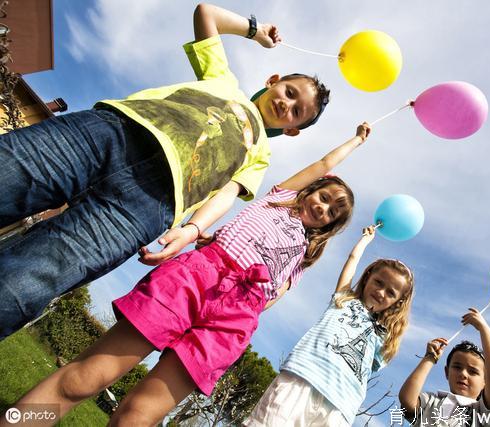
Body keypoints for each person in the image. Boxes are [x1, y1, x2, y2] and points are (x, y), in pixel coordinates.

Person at [2, 123, 371, 427]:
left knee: (139, 416)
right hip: (199, 277)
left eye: (334, 212)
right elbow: (324, 161)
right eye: (324, 197)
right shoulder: (278, 197)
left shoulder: (303, 258)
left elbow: (272, 299)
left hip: (236, 318)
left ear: (332, 226)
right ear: (311, 189)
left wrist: (244, 313)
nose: (324, 208)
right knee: (85, 378)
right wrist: (355, 140)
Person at [0, 3, 331, 339]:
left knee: (27, 283)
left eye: (296, 111)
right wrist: (254, 30)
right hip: (112, 135)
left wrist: (193, 229)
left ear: (292, 130)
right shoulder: (224, 81)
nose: (286, 104)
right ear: (272, 80)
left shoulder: (260, 153)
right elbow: (205, 14)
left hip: (145, 207)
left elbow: (229, 192)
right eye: (289, 92)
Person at [245, 226, 415, 426]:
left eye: (391, 293)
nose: (381, 292)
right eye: (378, 282)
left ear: (397, 303)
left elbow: (390, 342)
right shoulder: (344, 299)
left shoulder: (383, 336)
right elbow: (352, 260)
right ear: (368, 277)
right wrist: (364, 241)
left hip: (341, 405)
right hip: (303, 376)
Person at [399, 309, 490, 426]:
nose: (463, 374)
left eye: (473, 371)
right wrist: (429, 358)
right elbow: (407, 400)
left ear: (485, 381)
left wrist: (483, 328)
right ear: (446, 372)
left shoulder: (483, 414)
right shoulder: (431, 401)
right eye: (457, 367)